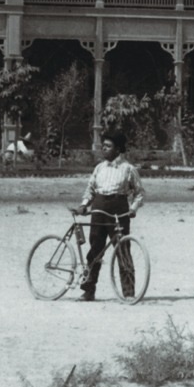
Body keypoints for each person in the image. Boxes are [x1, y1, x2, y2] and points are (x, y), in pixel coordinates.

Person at [77, 129, 145, 301]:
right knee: (95, 251)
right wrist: (84, 205)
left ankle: (128, 293)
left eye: (108, 146)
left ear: (118, 149)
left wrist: (133, 208)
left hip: (119, 212)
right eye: (103, 146)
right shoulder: (99, 168)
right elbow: (90, 190)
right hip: (98, 211)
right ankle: (88, 290)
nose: (104, 149)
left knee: (123, 251)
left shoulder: (128, 169)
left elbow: (139, 193)